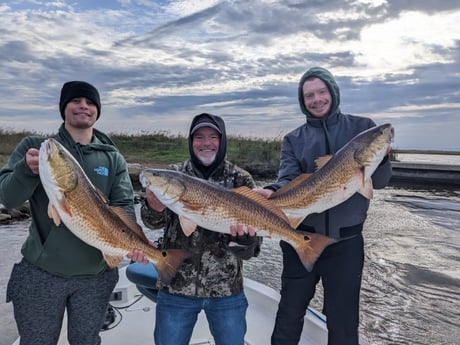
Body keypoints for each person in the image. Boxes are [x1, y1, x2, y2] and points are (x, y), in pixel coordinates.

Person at [255, 67, 392, 345]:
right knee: (289, 315)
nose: (316, 99)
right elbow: (287, 179)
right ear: (302, 100)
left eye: (321, 92)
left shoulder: (362, 127)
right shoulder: (293, 139)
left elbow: (379, 182)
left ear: (333, 92)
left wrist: (383, 157)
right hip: (300, 238)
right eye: (309, 95)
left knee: (343, 323)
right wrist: (270, 193)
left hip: (347, 244)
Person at [0, 81, 137, 345]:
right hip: (40, 273)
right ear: (63, 108)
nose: (83, 106)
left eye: (90, 102)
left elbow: (125, 206)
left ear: (97, 110)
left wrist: (135, 241)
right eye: (76, 101)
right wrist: (26, 171)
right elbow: (8, 198)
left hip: (96, 277)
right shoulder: (37, 147)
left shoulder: (112, 157)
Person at [129, 113, 262, 345]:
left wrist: (245, 241)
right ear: (191, 142)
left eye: (213, 136)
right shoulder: (173, 175)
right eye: (199, 137)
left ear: (222, 141)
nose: (206, 142)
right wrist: (154, 206)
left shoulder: (241, 180)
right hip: (176, 287)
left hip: (227, 290)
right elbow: (152, 223)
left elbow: (251, 250)